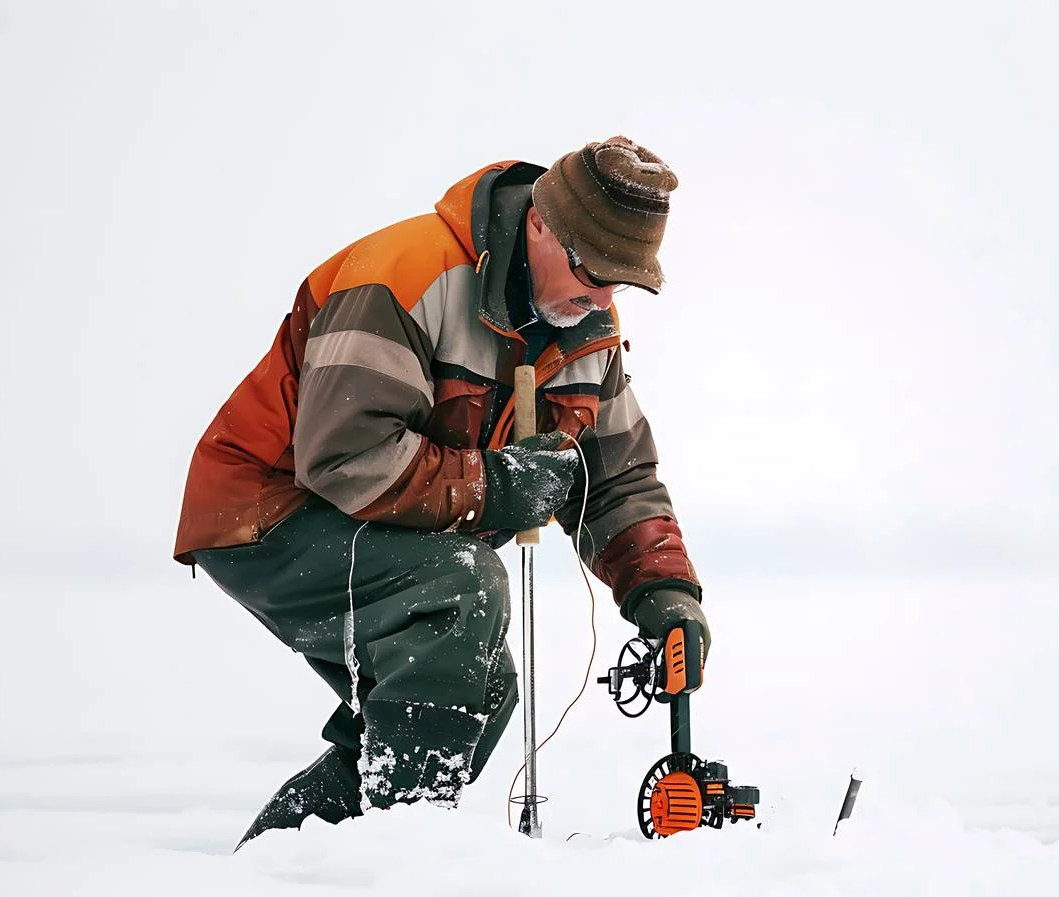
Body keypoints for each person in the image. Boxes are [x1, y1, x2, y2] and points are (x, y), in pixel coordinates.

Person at [171, 136, 709, 846]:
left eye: (624, 281)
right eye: (592, 269)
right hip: (267, 510)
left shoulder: (587, 326)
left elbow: (618, 476)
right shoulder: (405, 277)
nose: (604, 297)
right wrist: (496, 486)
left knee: (482, 691)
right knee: (462, 589)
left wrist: (664, 592)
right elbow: (342, 454)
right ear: (541, 224)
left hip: (379, 523)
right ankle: (398, 862)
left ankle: (291, 860)